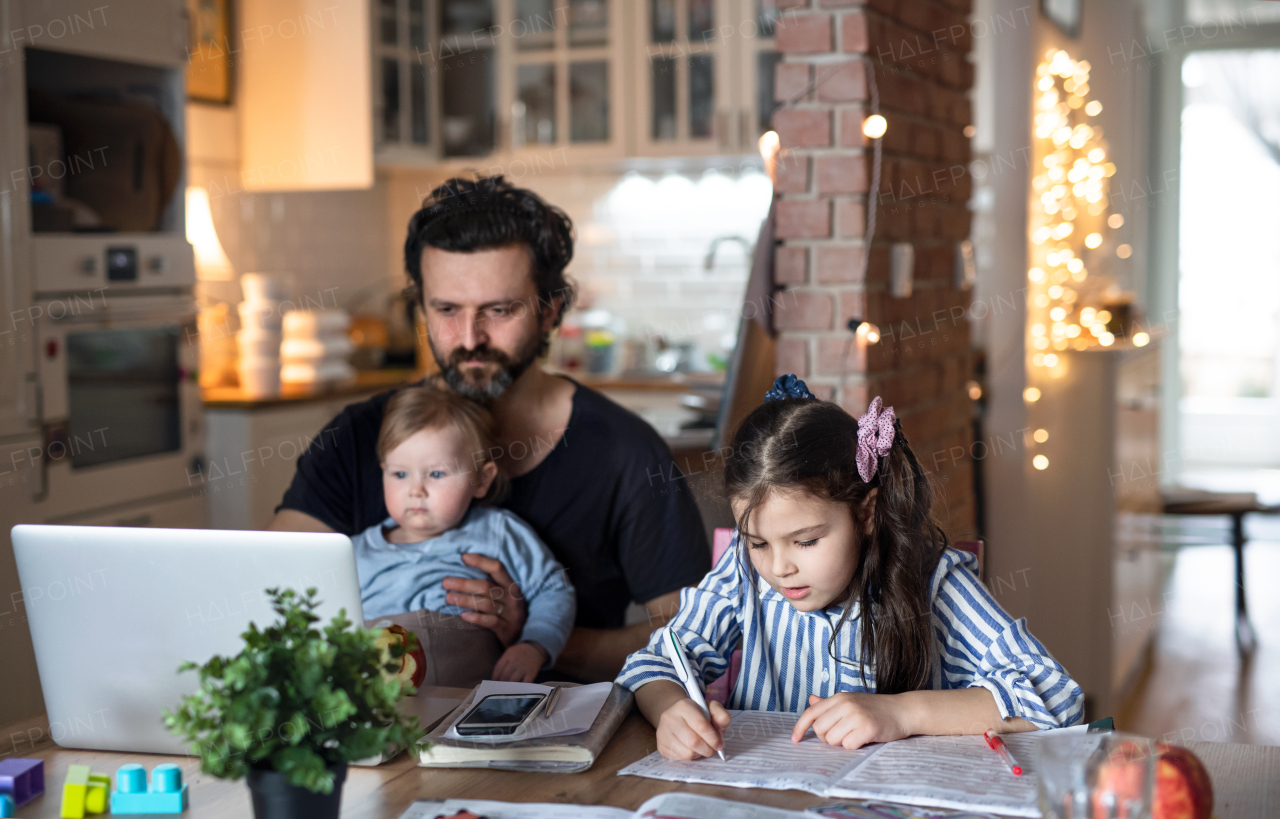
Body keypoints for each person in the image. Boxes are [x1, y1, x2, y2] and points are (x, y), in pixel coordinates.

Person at [268, 175, 709, 682]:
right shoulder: (356, 437)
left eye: (498, 310)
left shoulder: (623, 452)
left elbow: (687, 635)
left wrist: (533, 638)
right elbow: (272, 591)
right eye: (447, 310)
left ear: (550, 312)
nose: (470, 338)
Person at [618, 375, 1085, 760]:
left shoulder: (935, 581)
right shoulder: (743, 572)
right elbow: (654, 662)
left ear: (865, 513)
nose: (779, 568)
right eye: (757, 541)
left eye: (806, 541)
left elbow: (1055, 696)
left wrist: (901, 714)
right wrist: (671, 708)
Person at [354, 385, 574, 683]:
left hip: (472, 699)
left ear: (481, 480)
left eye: (436, 474)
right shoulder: (354, 553)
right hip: (382, 706)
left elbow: (553, 590)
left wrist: (533, 646)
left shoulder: (497, 532)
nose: (415, 490)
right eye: (400, 474)